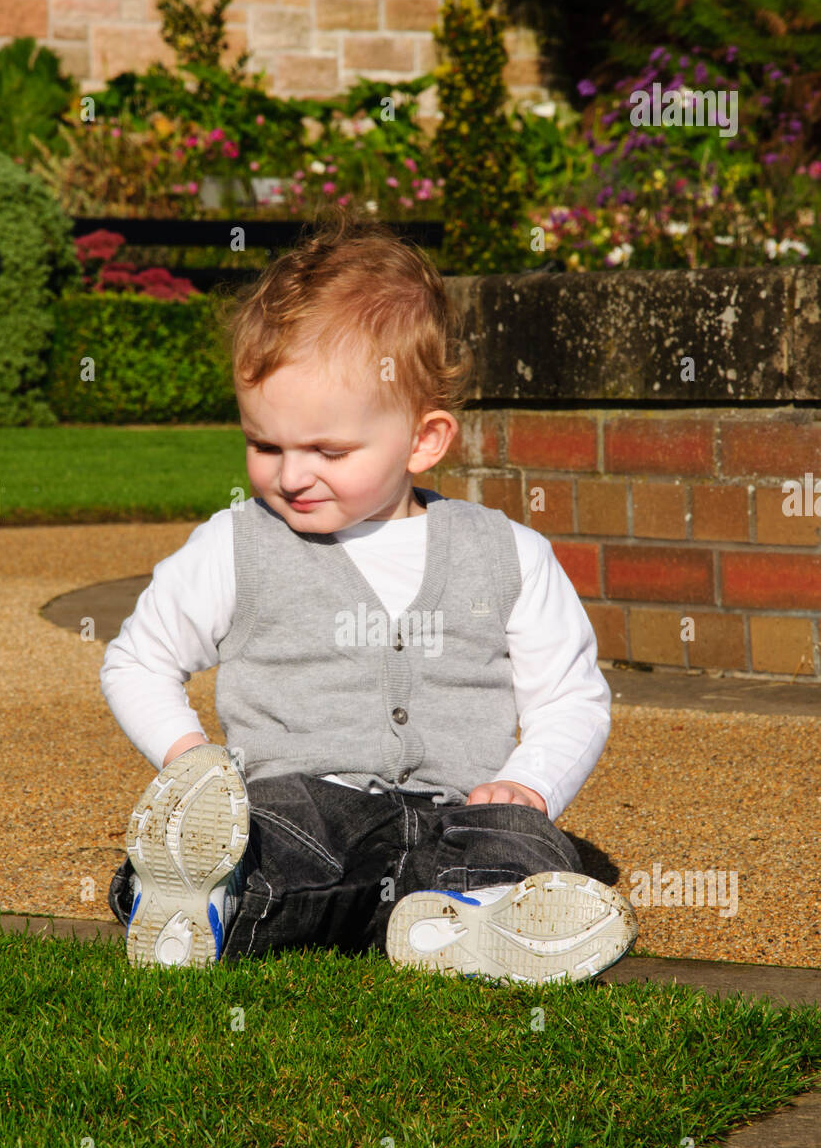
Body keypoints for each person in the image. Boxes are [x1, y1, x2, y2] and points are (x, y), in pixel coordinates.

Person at [101, 206, 637, 983]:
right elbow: (137, 661)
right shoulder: (235, 544)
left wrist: (529, 785)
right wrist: (193, 764)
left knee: (522, 843)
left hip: (462, 812)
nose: (290, 475)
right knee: (276, 841)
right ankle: (203, 898)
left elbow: (569, 698)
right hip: (309, 805)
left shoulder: (508, 554)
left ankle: (472, 918)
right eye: (264, 445)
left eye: (327, 450)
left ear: (423, 440)